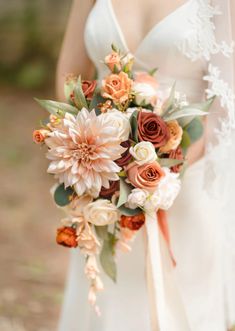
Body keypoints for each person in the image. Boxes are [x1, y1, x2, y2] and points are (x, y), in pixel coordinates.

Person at [56, 0, 235, 330]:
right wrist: (86, 149)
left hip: (186, 185)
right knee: (104, 309)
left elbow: (226, 100)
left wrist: (161, 170)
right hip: (101, 185)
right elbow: (69, 75)